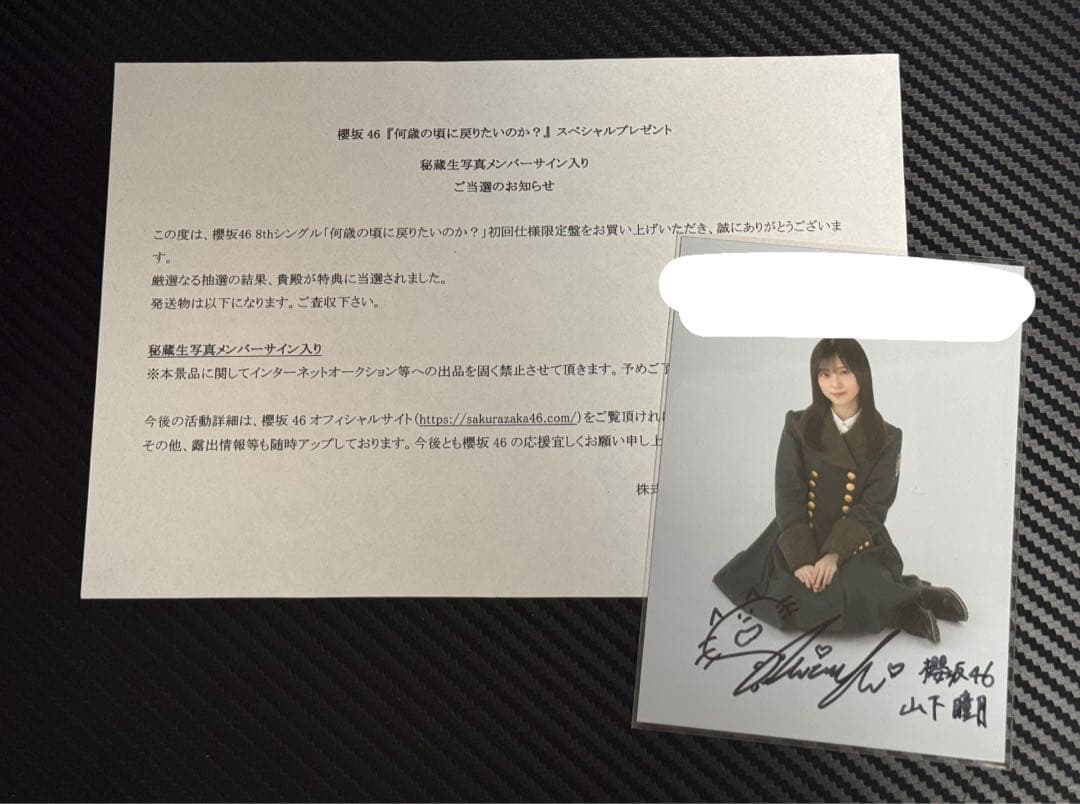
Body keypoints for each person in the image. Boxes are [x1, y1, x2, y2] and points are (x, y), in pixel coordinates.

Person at [712, 338, 967, 642]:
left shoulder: (887, 437)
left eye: (844, 372)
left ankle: (908, 603)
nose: (835, 383)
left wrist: (834, 554)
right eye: (825, 374)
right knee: (795, 594)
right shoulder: (798, 425)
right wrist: (802, 560)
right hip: (800, 531)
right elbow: (788, 493)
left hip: (855, 537)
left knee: (857, 585)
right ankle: (902, 601)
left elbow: (874, 505)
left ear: (862, 374)